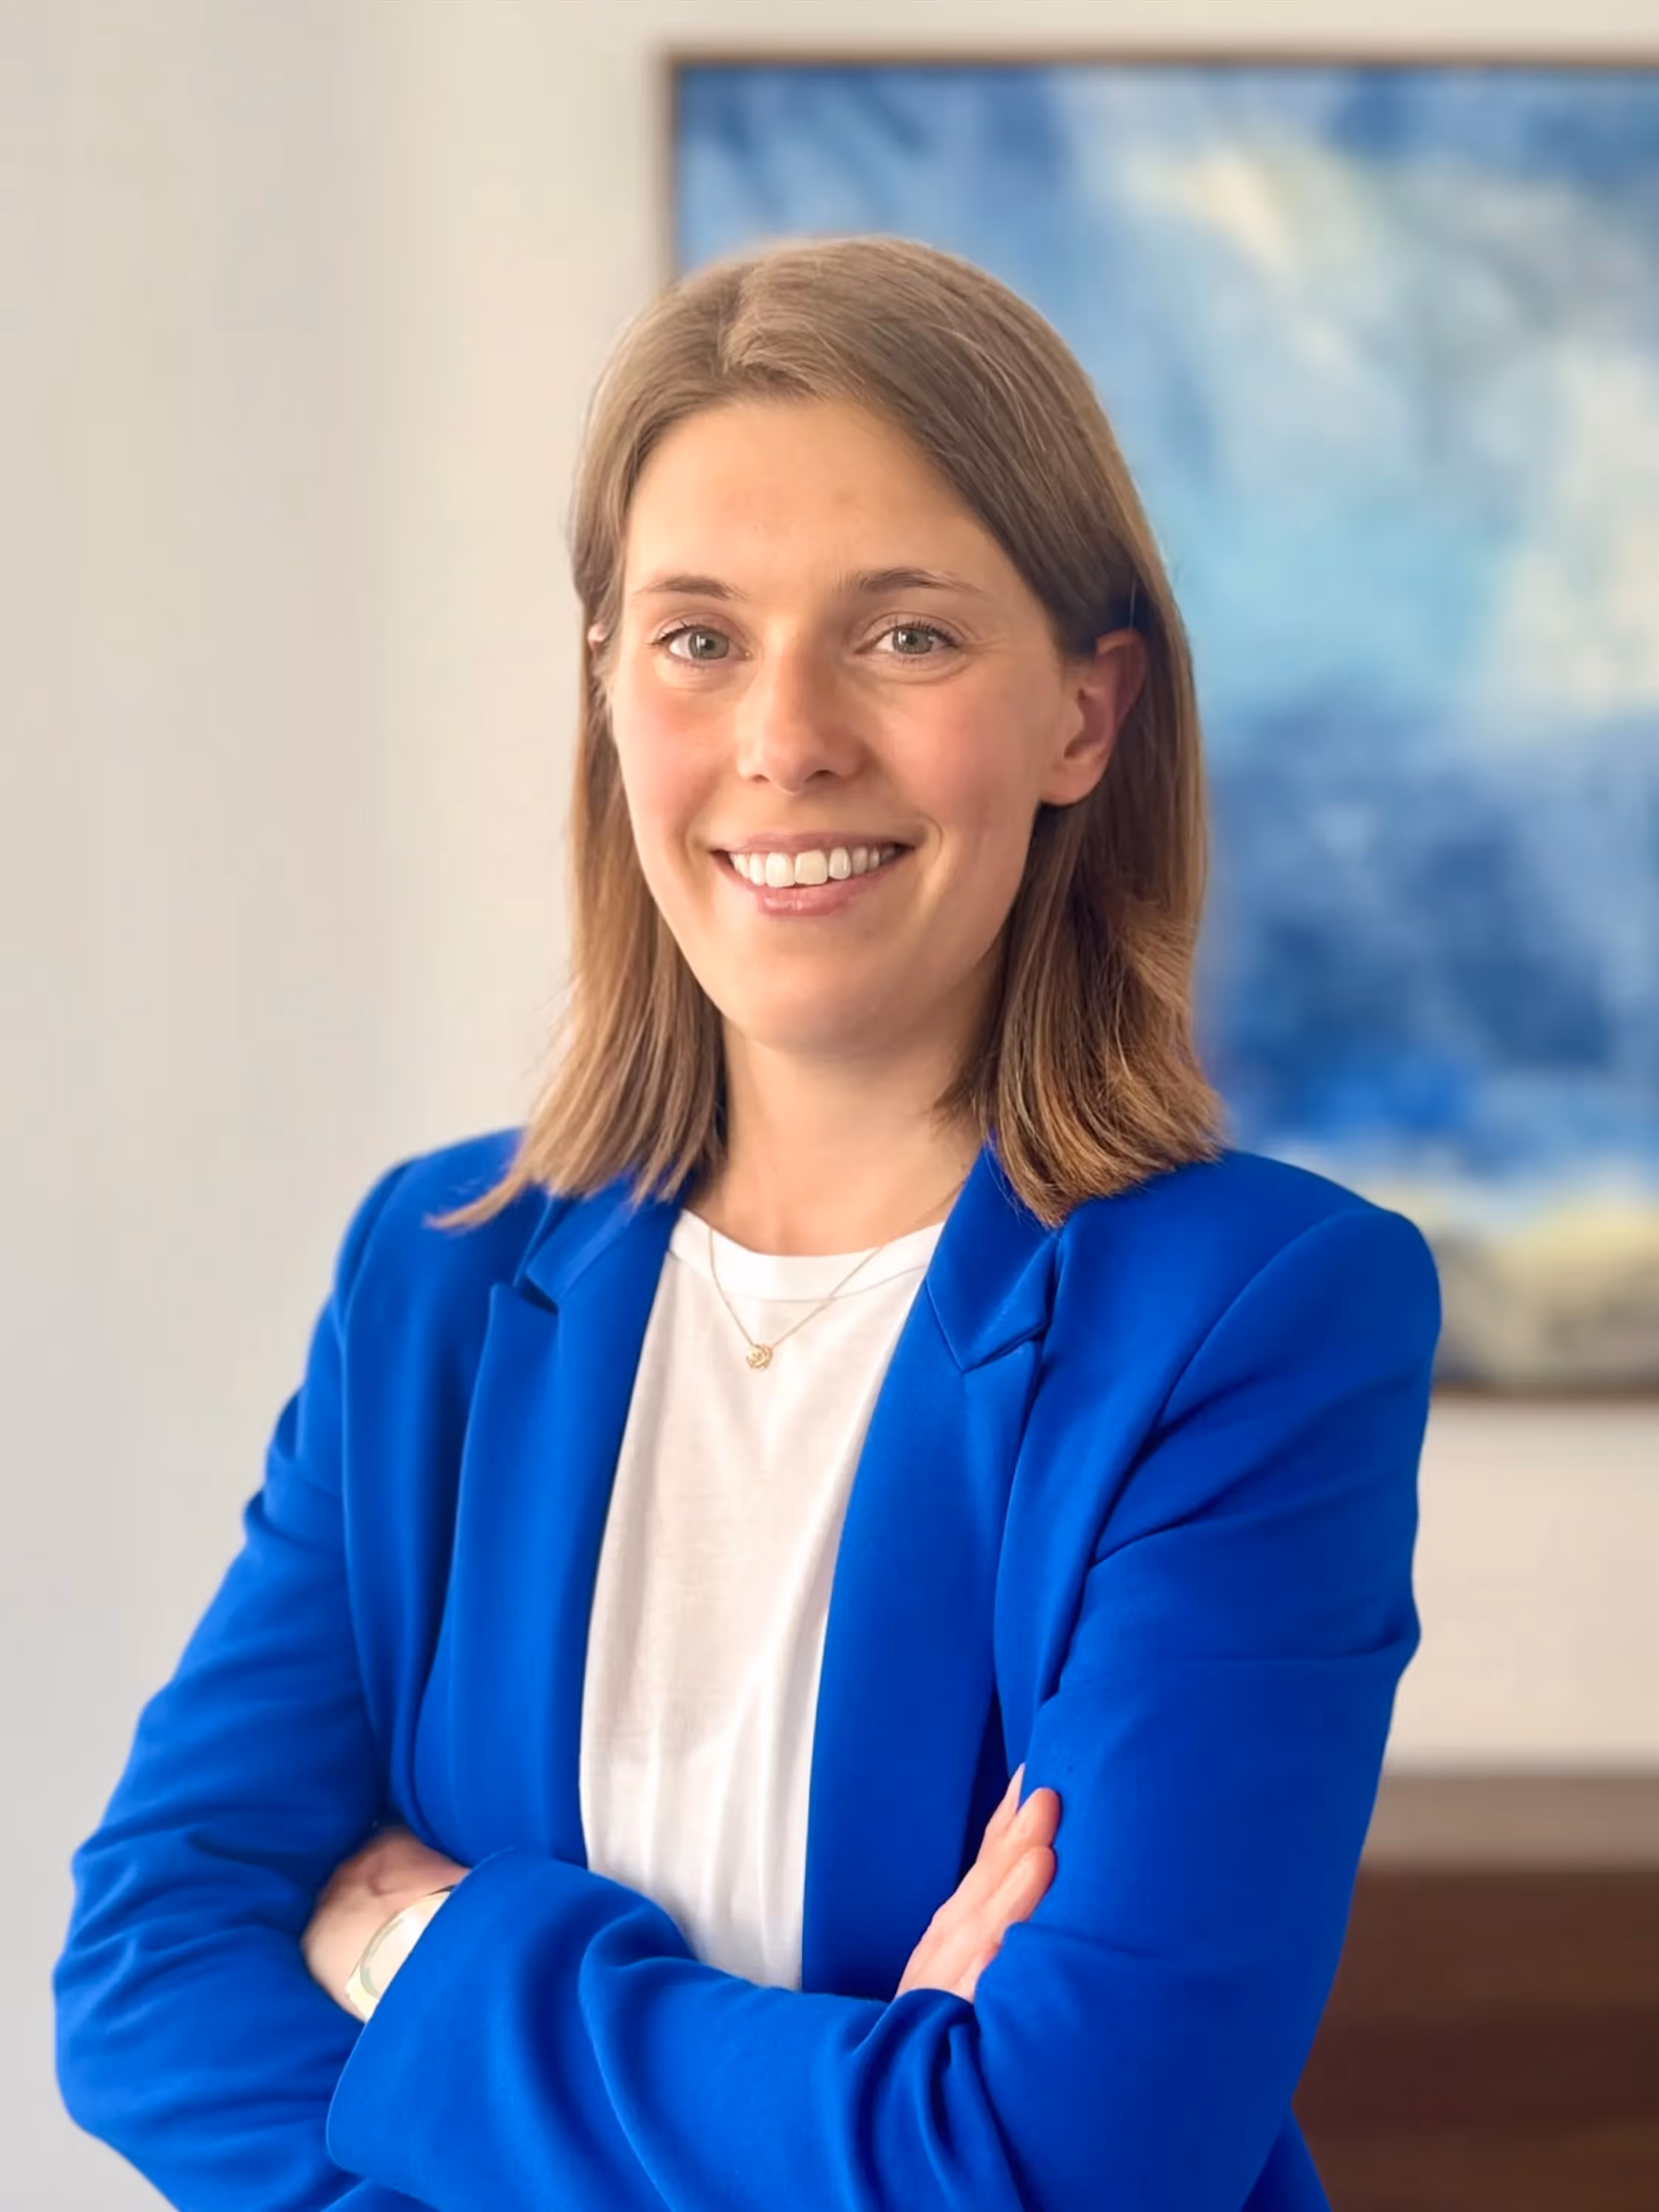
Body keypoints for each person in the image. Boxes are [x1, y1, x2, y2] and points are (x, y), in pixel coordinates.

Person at [52, 234, 1439, 2212]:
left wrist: (410, 1950)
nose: (784, 738)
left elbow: (1070, 2157)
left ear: (1082, 712)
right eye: (698, 636)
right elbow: (143, 1978)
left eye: (902, 635)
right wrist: (878, 2094)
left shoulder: (1255, 1319)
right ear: (610, 689)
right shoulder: (435, 1277)